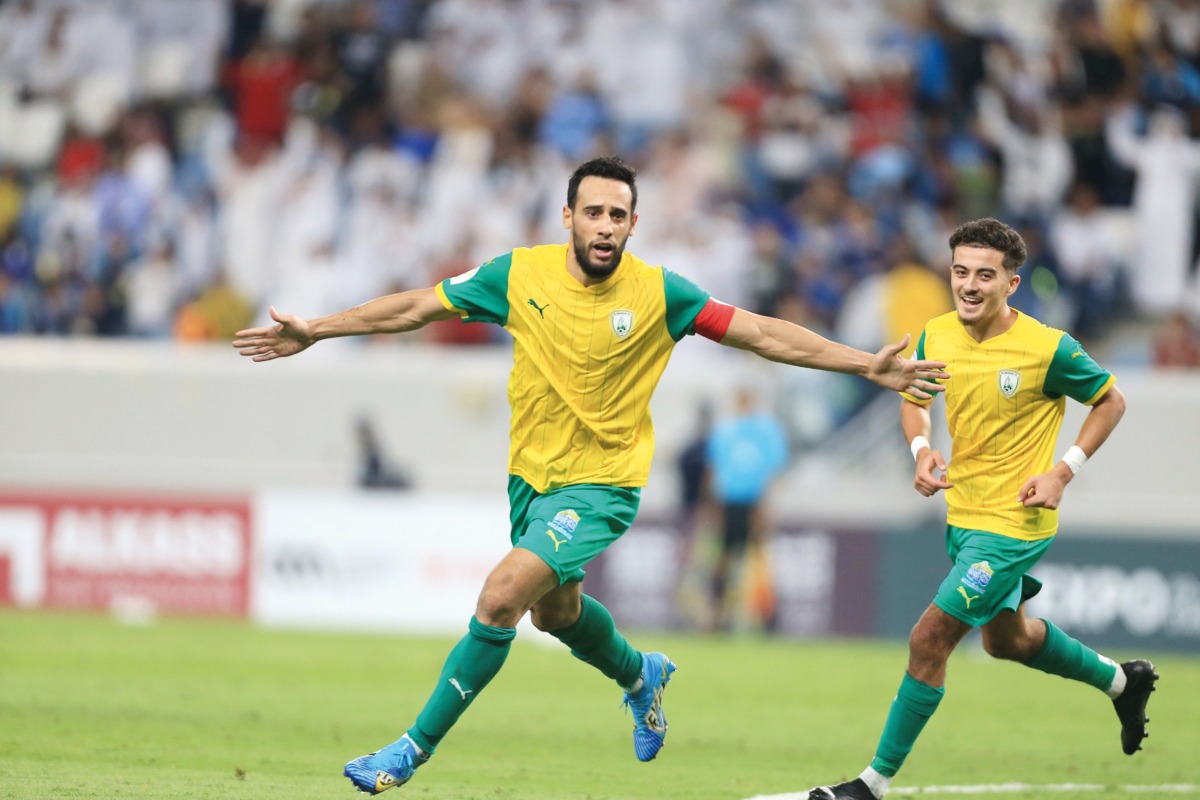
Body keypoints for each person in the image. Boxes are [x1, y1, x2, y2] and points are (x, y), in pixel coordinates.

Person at [232, 155, 950, 795]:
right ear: (568, 216)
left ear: (634, 223)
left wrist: (865, 364)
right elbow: (418, 306)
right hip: (531, 482)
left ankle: (410, 750)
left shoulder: (660, 294)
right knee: (556, 612)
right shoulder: (517, 274)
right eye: (595, 212)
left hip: (603, 485)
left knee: (501, 596)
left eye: (619, 215)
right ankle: (642, 674)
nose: (606, 227)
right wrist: (317, 329)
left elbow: (762, 332)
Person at [809, 218, 1158, 800]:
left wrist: (1063, 469)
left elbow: (1110, 400)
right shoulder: (936, 335)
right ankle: (1124, 683)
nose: (969, 285)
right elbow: (914, 398)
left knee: (929, 639)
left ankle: (872, 784)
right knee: (1008, 642)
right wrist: (922, 449)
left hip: (1015, 525)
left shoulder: (1048, 348)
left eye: (984, 275)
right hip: (963, 517)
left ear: (1011, 284)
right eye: (960, 272)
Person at [705, 386, 789, 631]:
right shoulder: (724, 431)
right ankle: (719, 614)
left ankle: (766, 616)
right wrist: (712, 506)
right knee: (725, 557)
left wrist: (766, 505)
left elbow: (774, 469)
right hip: (729, 501)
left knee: (759, 559)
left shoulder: (766, 431)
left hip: (754, 502)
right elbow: (713, 469)